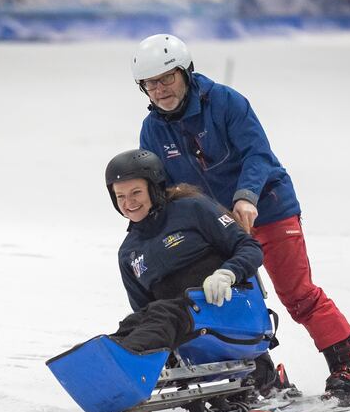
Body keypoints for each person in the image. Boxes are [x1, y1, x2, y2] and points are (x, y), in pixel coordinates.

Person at [130, 34, 350, 403]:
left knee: (297, 294)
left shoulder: (226, 102)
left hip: (268, 204)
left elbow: (258, 154)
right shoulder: (152, 129)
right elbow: (164, 190)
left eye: (167, 78)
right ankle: (258, 372)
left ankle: (349, 367)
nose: (160, 89)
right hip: (215, 222)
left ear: (186, 72)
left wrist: (246, 198)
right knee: (223, 297)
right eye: (150, 83)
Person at [105, 148, 263, 354]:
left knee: (163, 314)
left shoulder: (192, 209)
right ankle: (101, 362)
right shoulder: (128, 252)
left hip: (223, 308)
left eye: (136, 193)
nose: (128, 203)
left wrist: (227, 274)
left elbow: (250, 248)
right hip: (177, 325)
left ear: (154, 188)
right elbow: (143, 311)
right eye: (120, 196)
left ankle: (124, 359)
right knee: (134, 323)